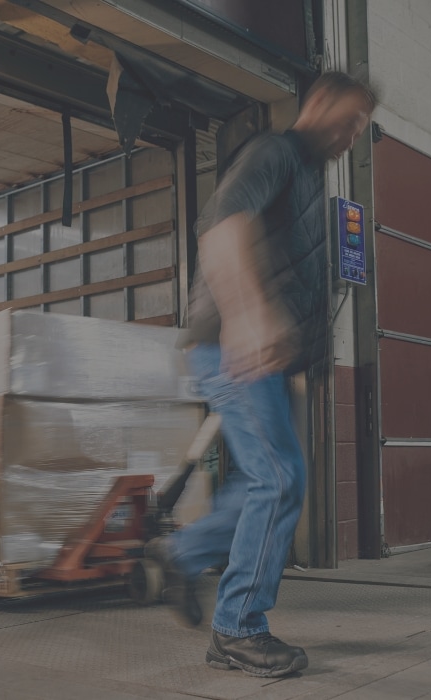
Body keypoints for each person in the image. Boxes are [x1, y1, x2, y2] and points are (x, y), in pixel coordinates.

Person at [146, 71, 375, 678]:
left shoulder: (308, 176)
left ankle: (182, 551)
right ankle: (237, 629)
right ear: (319, 102)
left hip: (268, 361)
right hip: (231, 344)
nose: (354, 134)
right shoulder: (274, 152)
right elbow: (223, 227)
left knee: (264, 484)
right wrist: (247, 318)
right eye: (351, 119)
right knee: (279, 478)